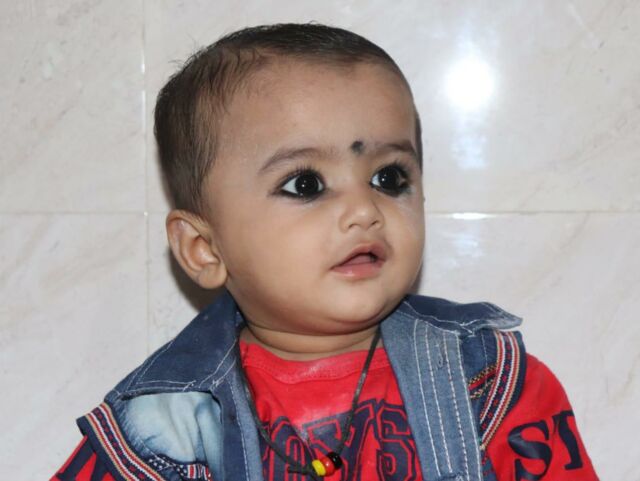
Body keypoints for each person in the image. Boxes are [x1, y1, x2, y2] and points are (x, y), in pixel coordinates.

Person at [51, 23, 598, 481]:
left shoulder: (488, 382)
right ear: (204, 249)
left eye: (389, 177)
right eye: (306, 184)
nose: (364, 209)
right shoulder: (162, 429)